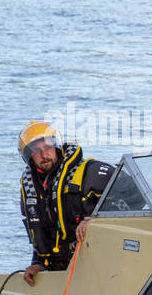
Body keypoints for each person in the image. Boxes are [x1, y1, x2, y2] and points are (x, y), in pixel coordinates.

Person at [18, 121, 114, 286]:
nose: (44, 154)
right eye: (36, 150)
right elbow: (40, 229)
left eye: (47, 147)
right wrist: (38, 263)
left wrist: (93, 219)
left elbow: (132, 195)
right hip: (61, 273)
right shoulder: (31, 188)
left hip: (96, 266)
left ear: (56, 147)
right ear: (28, 156)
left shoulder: (89, 172)